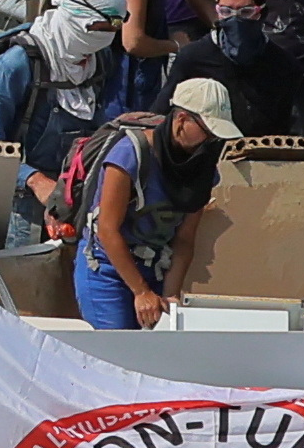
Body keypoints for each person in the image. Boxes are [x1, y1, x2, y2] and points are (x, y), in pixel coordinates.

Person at [68, 75, 238, 326]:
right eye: (208, 132)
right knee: (118, 351)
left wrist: (170, 294)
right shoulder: (130, 154)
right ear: (181, 120)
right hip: (106, 271)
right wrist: (140, 291)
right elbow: (107, 229)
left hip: (154, 268)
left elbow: (184, 239)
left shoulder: (202, 170)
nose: (212, 142)